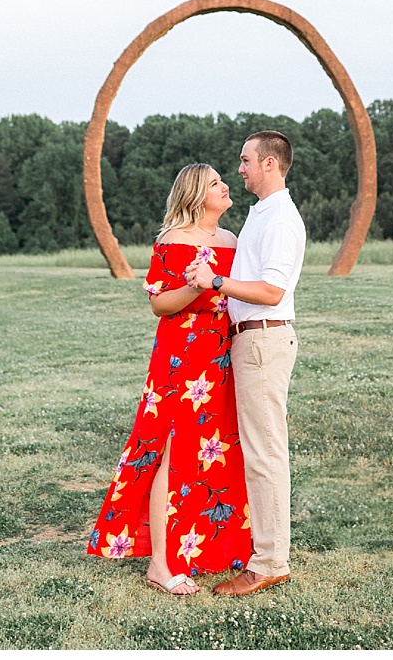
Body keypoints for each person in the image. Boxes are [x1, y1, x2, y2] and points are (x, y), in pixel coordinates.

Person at [86, 164, 252, 593]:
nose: (226, 185)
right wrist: (198, 287)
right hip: (181, 358)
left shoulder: (232, 241)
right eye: (216, 183)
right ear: (197, 194)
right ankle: (159, 564)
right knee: (171, 450)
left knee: (217, 450)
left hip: (223, 355)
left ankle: (214, 549)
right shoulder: (172, 242)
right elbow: (160, 306)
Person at [185, 130, 305, 597]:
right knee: (258, 453)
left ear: (270, 164)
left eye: (246, 160)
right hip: (250, 343)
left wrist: (216, 281)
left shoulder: (280, 219)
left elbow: (272, 293)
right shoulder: (262, 214)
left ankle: (270, 563)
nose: (240, 169)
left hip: (262, 342)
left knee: (266, 455)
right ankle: (265, 554)